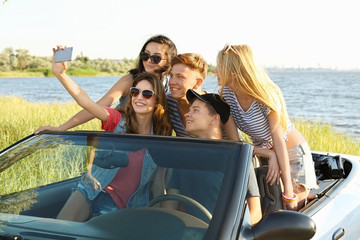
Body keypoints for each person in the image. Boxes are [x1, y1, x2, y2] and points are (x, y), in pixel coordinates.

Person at [49, 47, 172, 221]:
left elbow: (159, 183)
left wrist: (160, 215)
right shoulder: (118, 120)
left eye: (147, 94)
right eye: (135, 92)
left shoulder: (162, 135)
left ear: (157, 99)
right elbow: (86, 102)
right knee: (58, 231)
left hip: (127, 208)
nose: (139, 98)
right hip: (92, 191)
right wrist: (61, 75)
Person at [216, 44, 318, 211]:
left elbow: (278, 141)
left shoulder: (265, 95)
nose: (216, 71)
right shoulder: (226, 95)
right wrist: (269, 155)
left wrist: (289, 189)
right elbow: (237, 144)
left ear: (232, 70)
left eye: (220, 66)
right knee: (268, 208)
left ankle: (306, 192)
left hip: (291, 154)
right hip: (265, 152)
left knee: (290, 207)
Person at [34, 34, 177, 134]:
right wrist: (62, 128)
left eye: (156, 58)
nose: (148, 60)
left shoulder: (171, 87)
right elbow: (96, 106)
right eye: (145, 55)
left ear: (169, 61)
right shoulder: (129, 81)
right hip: (123, 135)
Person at [164, 89, 262, 225]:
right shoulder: (184, 157)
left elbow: (255, 212)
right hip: (192, 232)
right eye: (189, 110)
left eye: (195, 110)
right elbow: (170, 206)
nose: (187, 114)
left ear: (214, 119)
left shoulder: (236, 157)